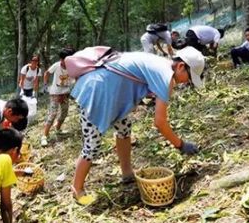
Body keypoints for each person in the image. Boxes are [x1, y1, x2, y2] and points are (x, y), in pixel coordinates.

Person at [70, 47, 205, 204]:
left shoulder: (161, 64)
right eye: (189, 78)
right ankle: (77, 189)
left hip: (110, 91)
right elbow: (160, 122)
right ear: (181, 66)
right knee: (92, 144)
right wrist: (181, 145)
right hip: (96, 90)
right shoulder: (165, 75)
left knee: (124, 129)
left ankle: (127, 173)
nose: (187, 82)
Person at [41, 47, 76, 146]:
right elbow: (47, 73)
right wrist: (45, 85)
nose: (64, 62)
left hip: (65, 92)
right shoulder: (56, 66)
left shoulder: (72, 67)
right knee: (53, 114)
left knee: (64, 112)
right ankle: (45, 135)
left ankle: (58, 129)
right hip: (55, 93)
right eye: (62, 59)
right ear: (61, 59)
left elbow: (75, 78)